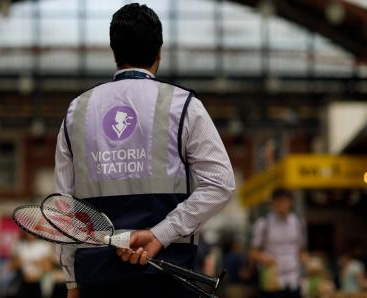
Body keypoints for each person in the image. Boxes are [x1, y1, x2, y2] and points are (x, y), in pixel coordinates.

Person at [54, 3, 235, 298]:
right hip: (165, 280)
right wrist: (159, 234)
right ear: (159, 51)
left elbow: (63, 209)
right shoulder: (183, 106)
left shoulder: (77, 112)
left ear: (113, 51)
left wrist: (71, 282)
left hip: (96, 282)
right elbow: (220, 183)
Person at [250, 188, 308, 298]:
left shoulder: (298, 223)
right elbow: (252, 252)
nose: (281, 204)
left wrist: (308, 264)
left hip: (294, 280)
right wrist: (262, 257)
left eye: (284, 200)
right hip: (272, 281)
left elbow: (301, 251)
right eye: (278, 201)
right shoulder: (264, 224)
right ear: (272, 203)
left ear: (290, 202)